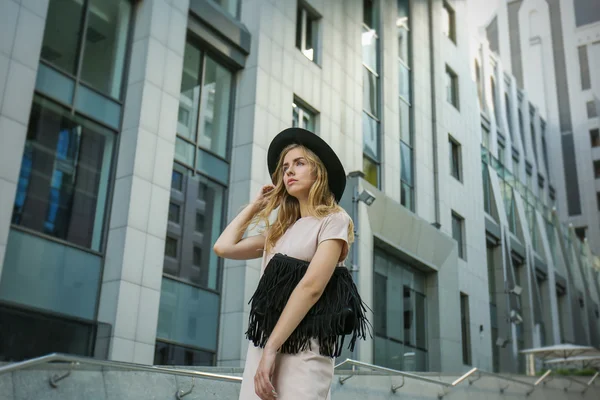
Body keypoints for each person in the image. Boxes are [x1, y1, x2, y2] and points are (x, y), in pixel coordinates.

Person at [213, 127, 368, 400]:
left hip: (303, 351)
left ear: (318, 172)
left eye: (299, 163)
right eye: (285, 167)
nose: (289, 172)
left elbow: (312, 287)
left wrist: (271, 349)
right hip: (263, 352)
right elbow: (223, 247)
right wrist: (257, 206)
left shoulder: (334, 221)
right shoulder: (278, 233)